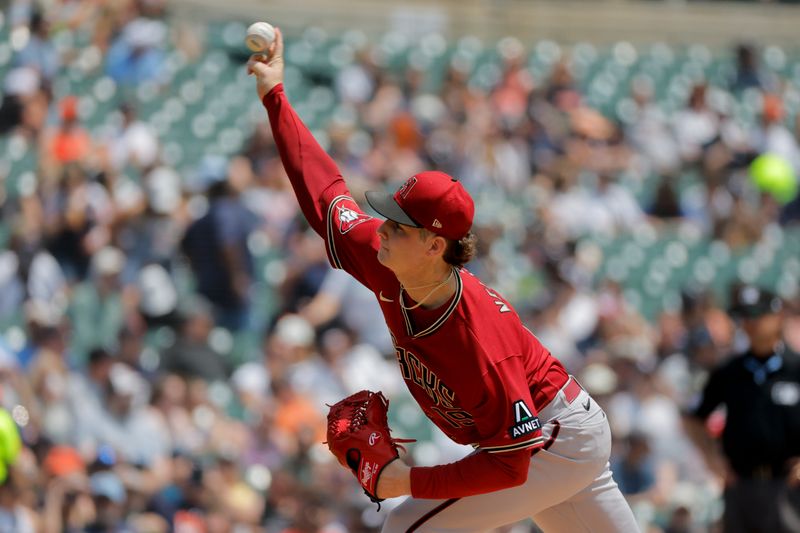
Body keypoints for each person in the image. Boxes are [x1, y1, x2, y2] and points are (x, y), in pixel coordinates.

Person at [247, 29, 639, 532]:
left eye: (397, 226)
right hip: (544, 437)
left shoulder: (477, 337)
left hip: (549, 438)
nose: (381, 230)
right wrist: (275, 97)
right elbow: (326, 194)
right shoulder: (384, 257)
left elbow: (509, 464)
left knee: (406, 527)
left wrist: (402, 482)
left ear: (435, 246)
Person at [685, 285, 800, 533]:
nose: (751, 322)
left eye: (758, 314)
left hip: (789, 486)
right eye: (746, 315)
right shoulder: (730, 371)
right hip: (741, 486)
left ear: (777, 316)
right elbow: (693, 419)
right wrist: (714, 461)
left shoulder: (796, 368)